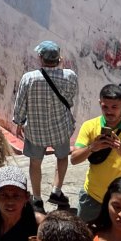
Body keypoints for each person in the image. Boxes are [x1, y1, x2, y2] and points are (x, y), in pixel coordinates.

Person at [13, 40, 78, 210]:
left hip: (35, 129)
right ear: (59, 58)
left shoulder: (29, 78)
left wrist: (19, 122)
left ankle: (37, 199)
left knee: (35, 163)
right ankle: (56, 191)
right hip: (60, 128)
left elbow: (20, 103)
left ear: (41, 57)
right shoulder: (69, 76)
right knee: (62, 158)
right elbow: (70, 99)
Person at [70, 85, 121, 224]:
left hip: (119, 201)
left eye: (114, 107)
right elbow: (74, 159)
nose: (109, 112)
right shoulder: (89, 126)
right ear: (100, 103)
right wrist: (92, 147)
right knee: (82, 238)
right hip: (91, 196)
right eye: (105, 107)